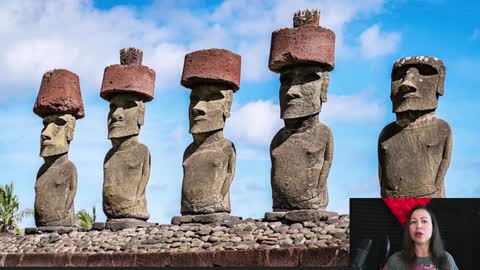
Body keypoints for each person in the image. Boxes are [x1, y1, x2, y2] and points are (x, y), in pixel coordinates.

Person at [383, 204, 458, 270]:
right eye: (413, 222)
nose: (418, 226)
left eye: (424, 221)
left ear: (433, 227)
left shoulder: (446, 258)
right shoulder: (395, 260)